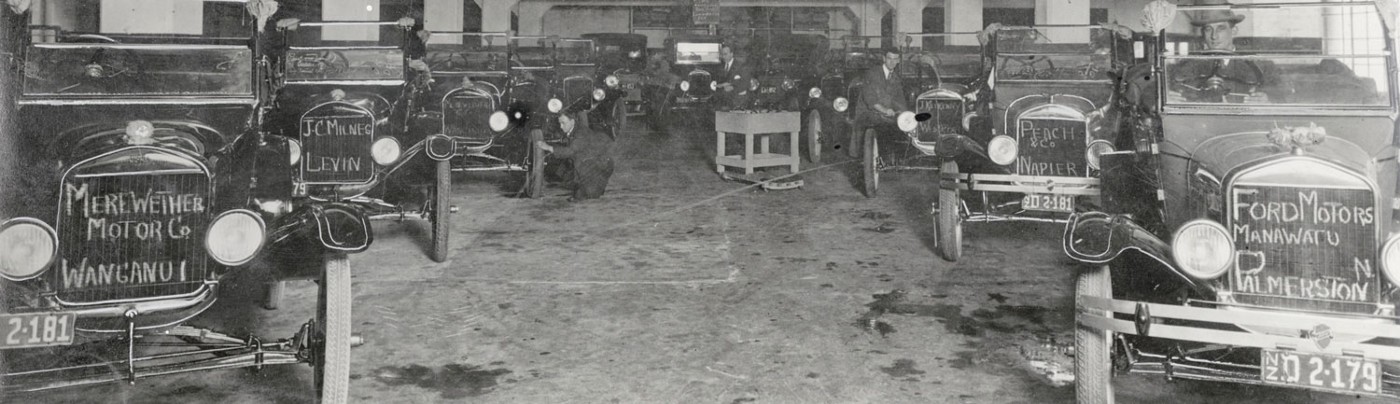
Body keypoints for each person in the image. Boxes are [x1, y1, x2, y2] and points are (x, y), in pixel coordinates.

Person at [1168, 6, 1280, 103]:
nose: (1214, 36)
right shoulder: (1187, 66)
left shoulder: (1261, 66)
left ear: (1234, 31)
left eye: (1220, 28)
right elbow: (1154, 89)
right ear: (1203, 34)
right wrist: (1166, 97)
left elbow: (1283, 94)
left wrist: (1268, 100)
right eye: (1208, 29)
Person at [536, 111, 615, 201]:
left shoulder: (581, 133)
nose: (561, 126)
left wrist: (548, 147)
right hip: (587, 164)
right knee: (568, 182)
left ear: (572, 121)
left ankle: (595, 186)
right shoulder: (572, 129)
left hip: (598, 166)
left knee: (582, 197)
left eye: (563, 123)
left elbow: (570, 151)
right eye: (559, 123)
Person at [848, 47, 910, 157]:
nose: (892, 62)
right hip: (867, 113)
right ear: (884, 59)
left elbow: (900, 101)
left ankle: (893, 157)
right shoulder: (873, 73)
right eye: (889, 58)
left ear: (898, 61)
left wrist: (904, 114)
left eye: (895, 59)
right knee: (884, 126)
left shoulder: (896, 78)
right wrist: (885, 110)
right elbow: (870, 100)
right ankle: (880, 157)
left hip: (886, 114)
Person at [712, 43, 752, 111]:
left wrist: (733, 87)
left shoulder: (741, 66)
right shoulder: (720, 66)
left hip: (737, 101)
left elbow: (746, 83)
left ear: (731, 54)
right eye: (722, 54)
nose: (723, 57)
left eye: (725, 54)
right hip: (723, 102)